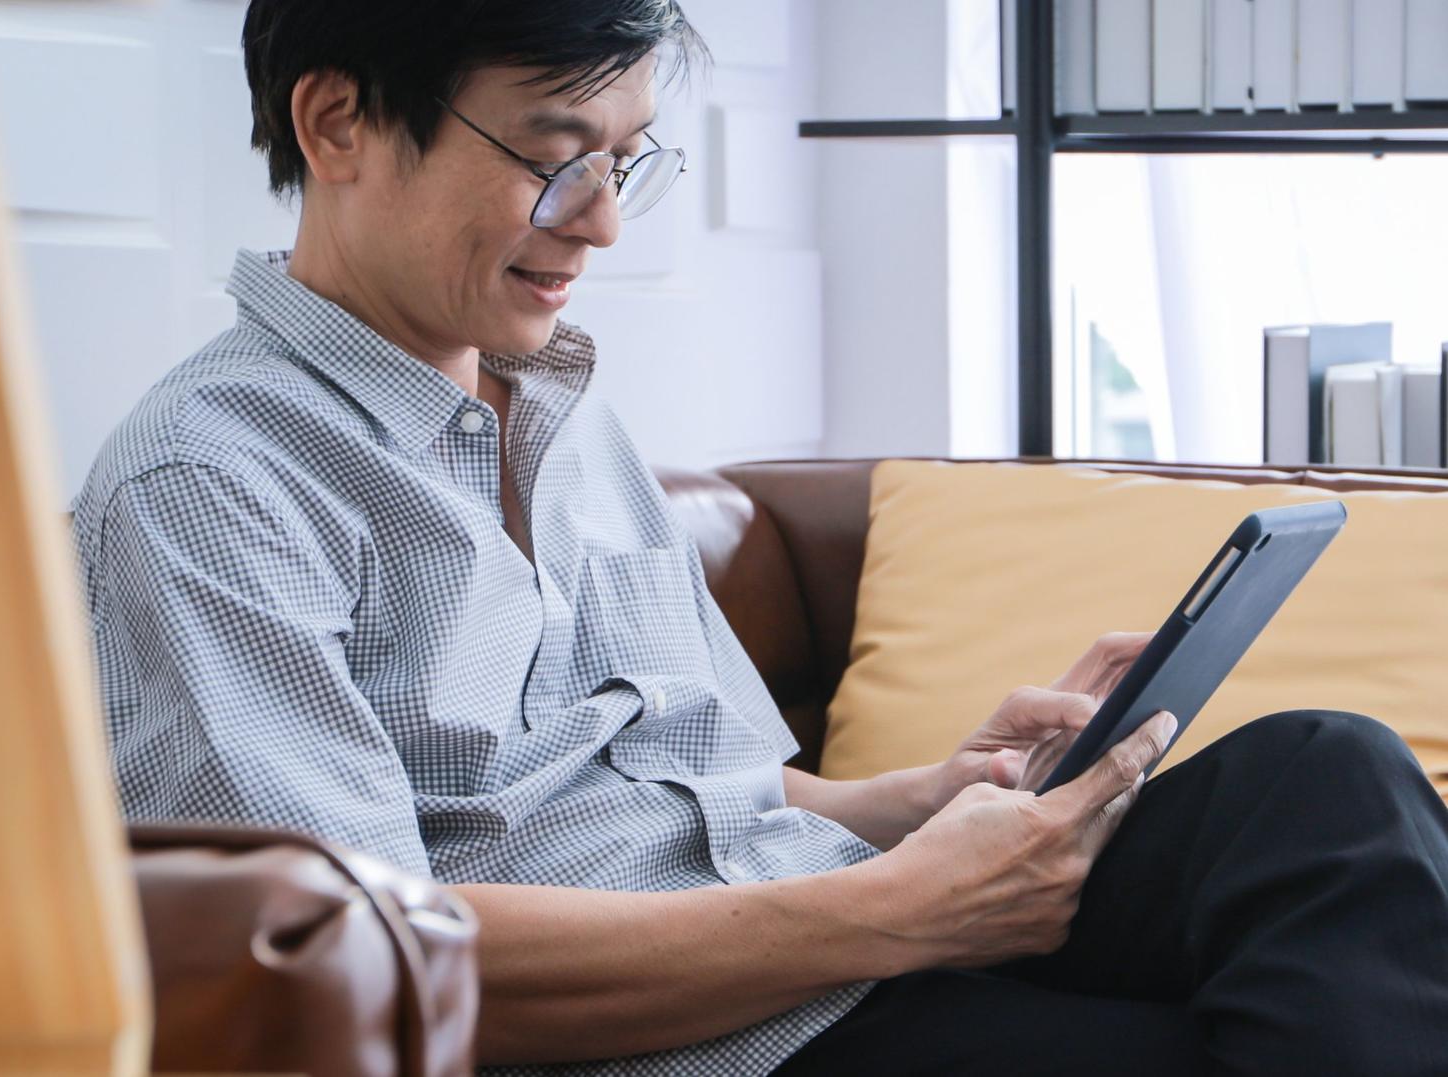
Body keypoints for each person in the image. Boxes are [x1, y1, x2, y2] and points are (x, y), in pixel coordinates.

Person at [72, 2, 1448, 1073]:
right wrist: (900, 910)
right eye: (556, 164)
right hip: (700, 1037)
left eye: (623, 163)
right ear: (337, 123)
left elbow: (686, 773)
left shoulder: (557, 415)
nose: (600, 223)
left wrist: (909, 803)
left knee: (1322, 779)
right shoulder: (208, 485)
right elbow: (350, 959)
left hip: (822, 919)